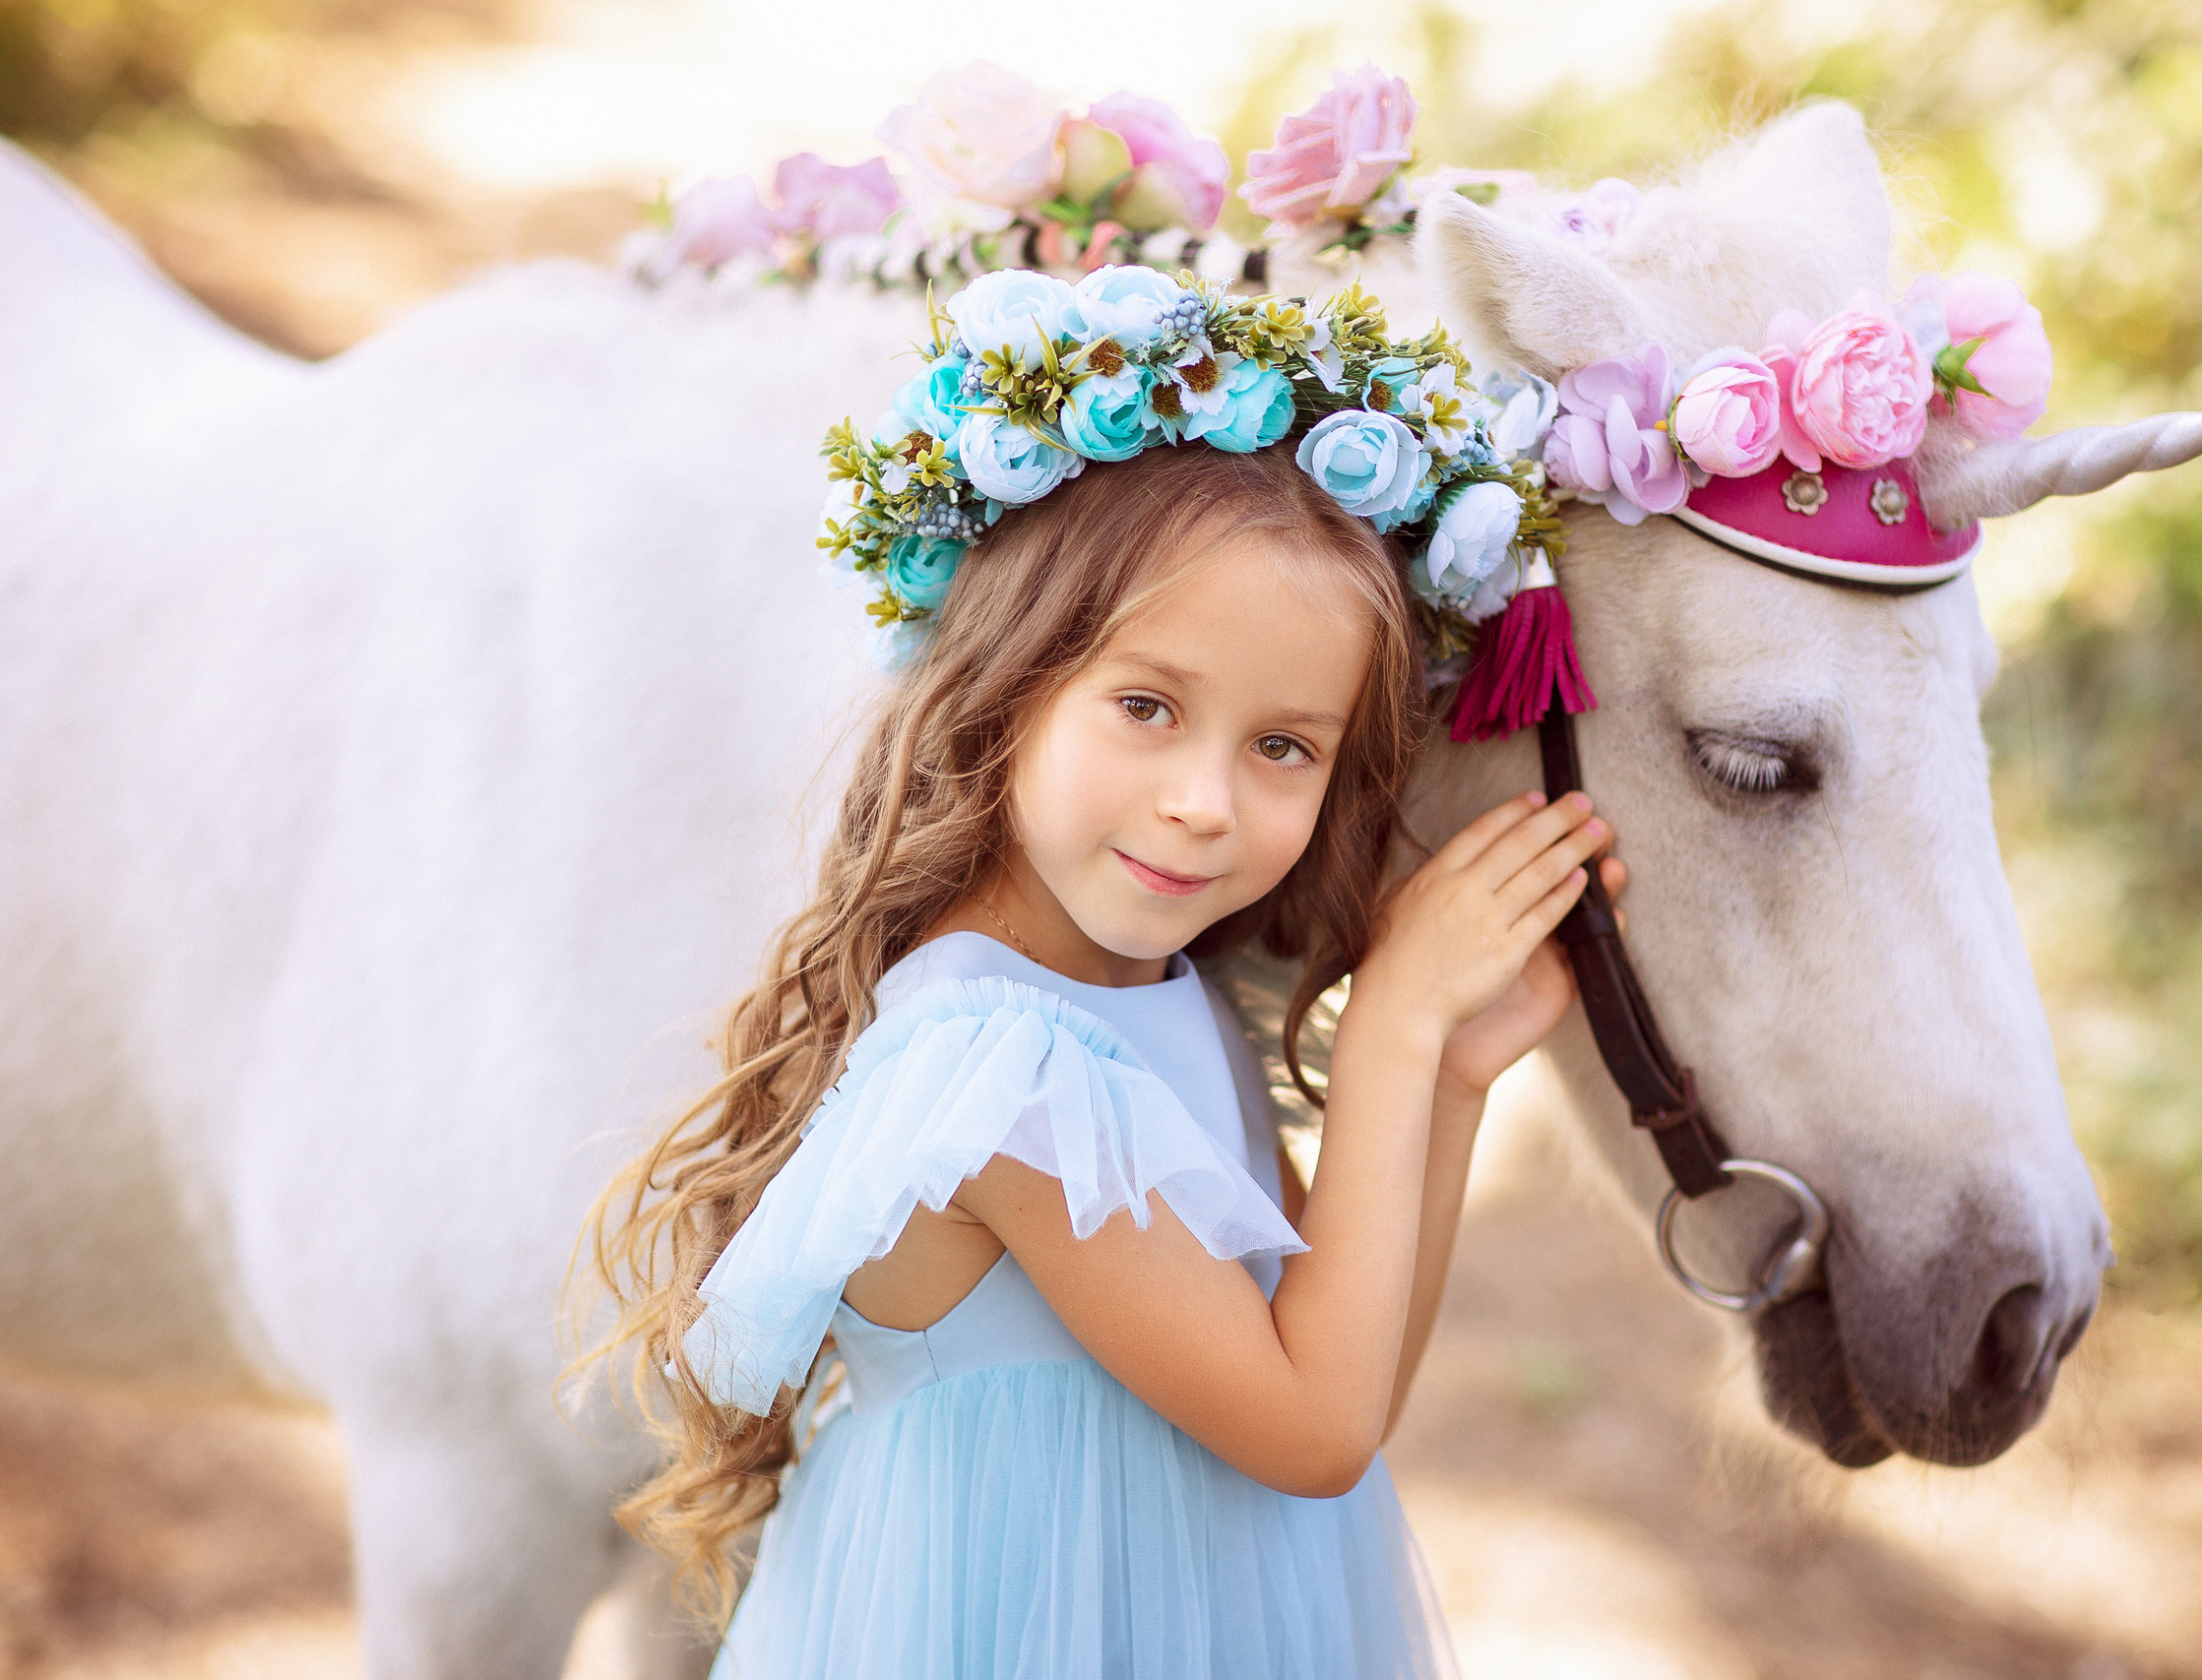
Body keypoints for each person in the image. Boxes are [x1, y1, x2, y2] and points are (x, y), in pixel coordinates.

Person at [586, 266, 1619, 1678]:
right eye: (1146, 706)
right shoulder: (1001, 1073)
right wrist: (1390, 1025)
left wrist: (1448, 1075)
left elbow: (1350, 1382)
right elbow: (1313, 1432)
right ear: (1007, 688)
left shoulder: (1159, 993)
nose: (1204, 801)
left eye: (1284, 746)